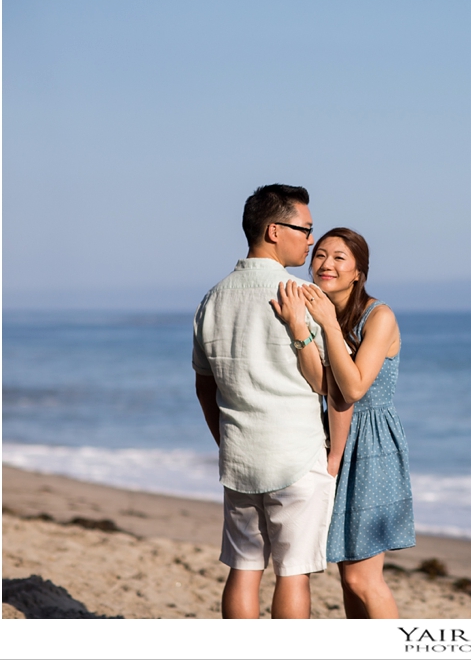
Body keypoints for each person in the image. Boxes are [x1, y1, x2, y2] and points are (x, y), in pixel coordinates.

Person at [192, 184, 349, 619]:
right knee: (293, 573)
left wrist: (223, 440)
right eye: (306, 229)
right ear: (275, 230)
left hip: (241, 454)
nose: (311, 240)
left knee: (243, 568)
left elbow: (205, 386)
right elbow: (331, 386)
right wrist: (334, 453)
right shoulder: (303, 295)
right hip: (295, 454)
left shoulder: (213, 297)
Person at [302, 227, 415, 619]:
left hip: (371, 444)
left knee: (362, 579)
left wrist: (327, 325)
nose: (326, 264)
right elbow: (322, 383)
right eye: (319, 255)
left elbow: (353, 387)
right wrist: (304, 330)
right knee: (346, 570)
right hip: (334, 435)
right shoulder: (318, 311)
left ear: (358, 272)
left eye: (339, 258)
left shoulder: (379, 316)